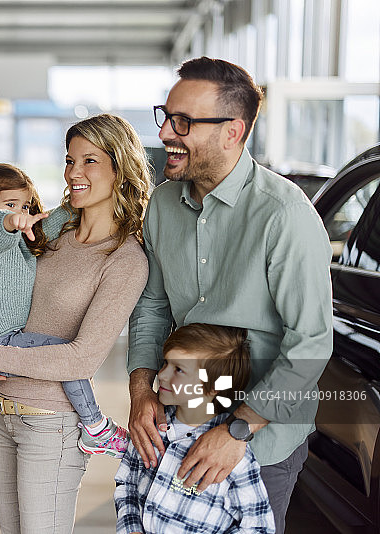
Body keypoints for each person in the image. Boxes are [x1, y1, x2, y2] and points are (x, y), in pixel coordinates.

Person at [127, 56, 332, 534]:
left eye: (183, 123)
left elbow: (310, 345)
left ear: (232, 131)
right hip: (181, 421)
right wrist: (141, 387)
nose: (164, 135)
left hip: (260, 436)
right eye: (166, 117)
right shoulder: (161, 205)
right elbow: (153, 306)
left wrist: (238, 429)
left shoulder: (284, 215)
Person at [0, 113, 151, 533]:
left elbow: (81, 360)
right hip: (2, 412)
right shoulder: (50, 230)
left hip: (52, 426)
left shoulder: (125, 259)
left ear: (121, 168)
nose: (73, 172)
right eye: (69, 160)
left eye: (89, 161)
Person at [0, 163, 129, 457]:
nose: (20, 211)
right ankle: (95, 428)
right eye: (10, 204)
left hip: (3, 337)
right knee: (67, 356)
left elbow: (54, 221)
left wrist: (80, 200)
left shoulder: (23, 242)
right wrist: (10, 219)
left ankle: (94, 427)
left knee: (68, 359)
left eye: (25, 205)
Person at [115, 323, 275, 534]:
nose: (162, 375)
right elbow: (126, 483)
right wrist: (131, 528)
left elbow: (259, 527)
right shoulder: (150, 428)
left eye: (178, 369)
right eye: (165, 363)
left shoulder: (234, 458)